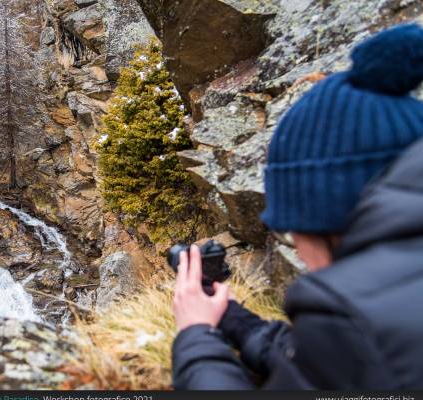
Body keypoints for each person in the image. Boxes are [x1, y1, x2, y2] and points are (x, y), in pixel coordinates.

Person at [172, 23, 423, 390]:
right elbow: (339, 370)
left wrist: (196, 336)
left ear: (327, 217)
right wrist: (239, 324)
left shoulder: (350, 317)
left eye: (292, 228)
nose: (301, 256)